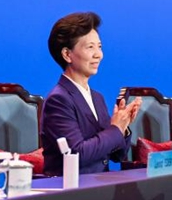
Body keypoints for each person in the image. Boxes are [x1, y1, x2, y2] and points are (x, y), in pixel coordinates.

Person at [40, 12, 141, 175]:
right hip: (71, 191)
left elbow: (117, 155)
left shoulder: (97, 97)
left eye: (99, 47)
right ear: (67, 54)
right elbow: (76, 154)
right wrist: (115, 128)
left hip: (100, 187)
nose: (99, 54)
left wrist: (123, 127)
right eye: (90, 47)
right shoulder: (59, 99)